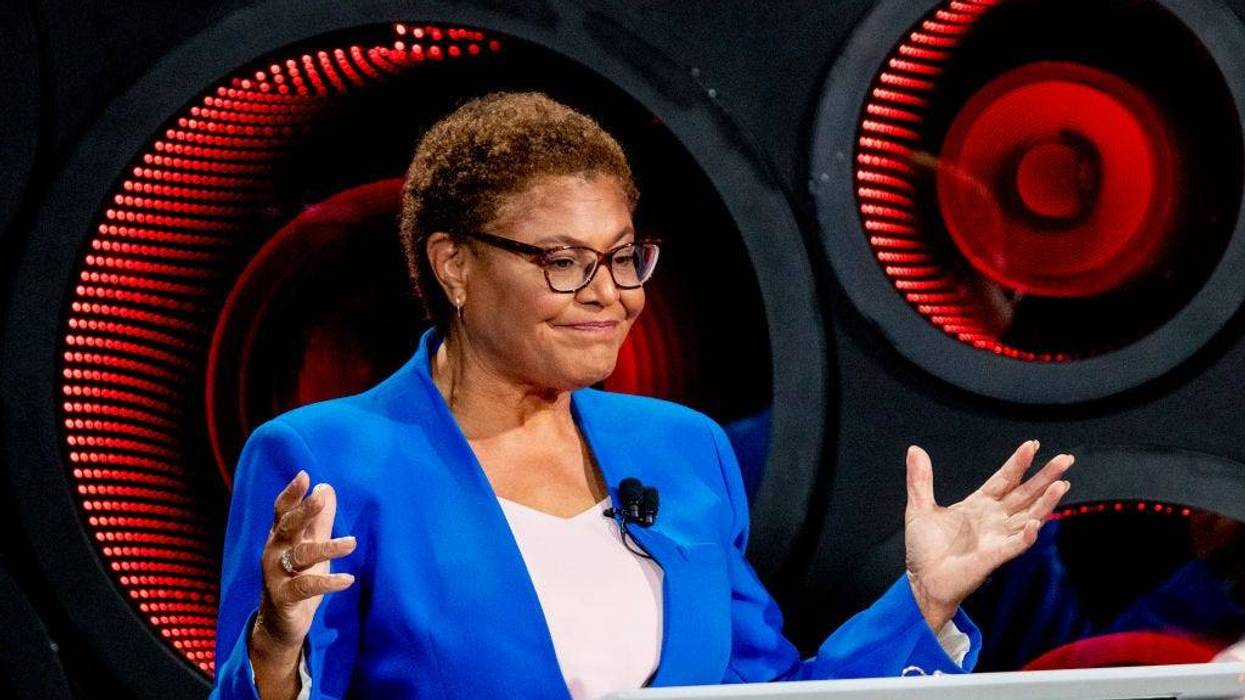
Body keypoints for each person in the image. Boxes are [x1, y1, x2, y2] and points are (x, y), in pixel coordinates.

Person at [209, 91, 1074, 700]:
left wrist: (924, 599)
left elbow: (764, 699)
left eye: (624, 257)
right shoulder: (324, 459)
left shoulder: (681, 448)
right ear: (454, 265)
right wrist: (276, 648)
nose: (609, 293)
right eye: (563, 261)